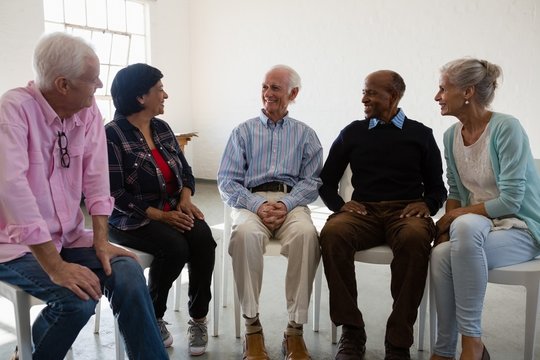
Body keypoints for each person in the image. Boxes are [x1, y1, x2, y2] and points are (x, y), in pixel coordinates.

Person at [0, 32, 169, 360]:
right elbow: (12, 188)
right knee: (76, 302)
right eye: (92, 79)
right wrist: (55, 266)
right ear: (62, 84)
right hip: (14, 246)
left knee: (129, 275)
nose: (100, 85)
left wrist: (101, 241)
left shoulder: (87, 112)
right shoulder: (14, 110)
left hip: (69, 237)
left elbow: (96, 179)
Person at [319, 70, 447, 360]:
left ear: (393, 96)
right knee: (333, 233)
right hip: (363, 211)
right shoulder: (352, 132)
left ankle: (398, 341)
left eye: (371, 93)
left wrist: (427, 205)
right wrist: (340, 205)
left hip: (406, 211)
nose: (364, 98)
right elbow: (325, 181)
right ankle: (351, 331)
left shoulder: (421, 135)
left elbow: (438, 188)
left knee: (416, 238)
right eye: (364, 92)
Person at [430, 58, 540, 360]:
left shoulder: (507, 128)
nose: (437, 97)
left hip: (521, 228)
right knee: (440, 253)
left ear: (467, 91)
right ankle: (444, 350)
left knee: (463, 227)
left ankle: (472, 343)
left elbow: (511, 201)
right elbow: (454, 190)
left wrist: (452, 217)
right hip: (477, 227)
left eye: (442, 89)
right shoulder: (451, 135)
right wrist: (443, 232)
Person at [105, 63, 216, 356]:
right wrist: (161, 216)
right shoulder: (112, 135)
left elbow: (187, 174)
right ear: (141, 97)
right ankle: (153, 316)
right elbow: (114, 193)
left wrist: (185, 199)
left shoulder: (163, 128)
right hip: (130, 218)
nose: (165, 95)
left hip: (171, 208)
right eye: (160, 90)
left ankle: (198, 318)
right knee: (175, 247)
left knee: (204, 240)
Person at [217, 64, 323, 360]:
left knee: (306, 235)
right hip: (252, 200)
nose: (268, 94)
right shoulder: (243, 132)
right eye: (265, 87)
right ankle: (252, 328)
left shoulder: (305, 134)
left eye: (275, 88)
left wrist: (286, 204)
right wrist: (257, 205)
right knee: (245, 235)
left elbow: (313, 181)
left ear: (293, 93)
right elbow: (227, 181)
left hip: (292, 202)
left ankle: (294, 331)